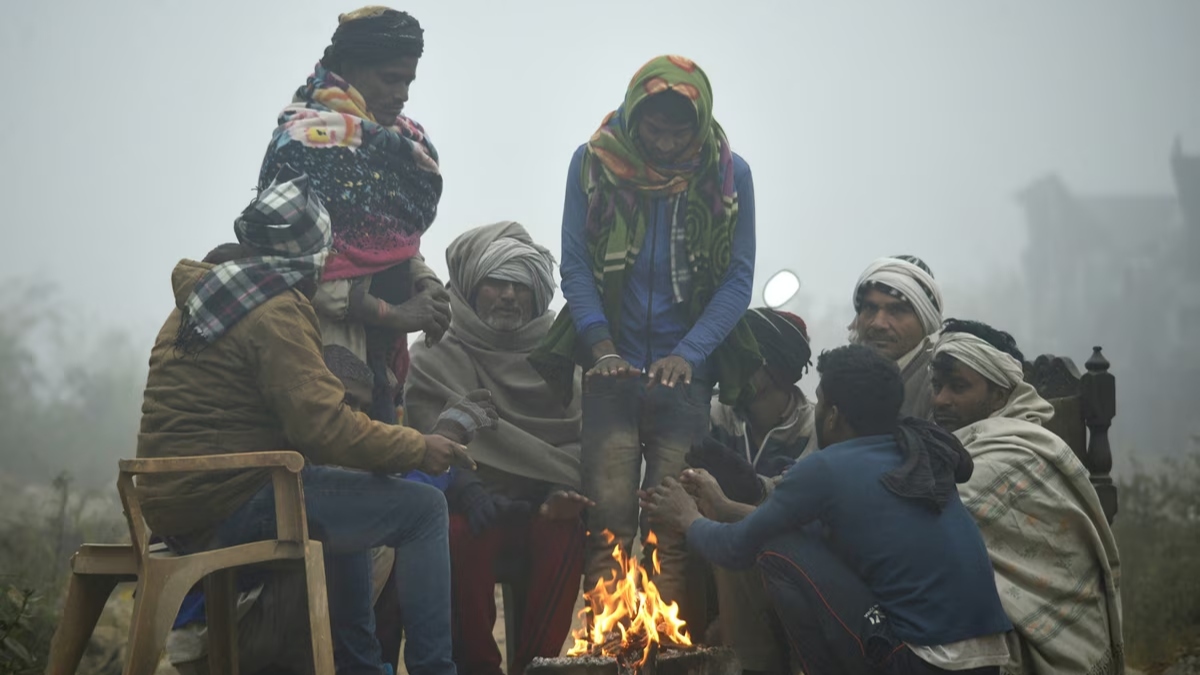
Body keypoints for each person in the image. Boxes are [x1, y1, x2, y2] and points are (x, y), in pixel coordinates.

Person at [137, 167, 496, 675]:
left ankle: (357, 668)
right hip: (230, 505)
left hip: (170, 505)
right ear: (310, 260)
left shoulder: (199, 303)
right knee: (422, 510)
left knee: (342, 500)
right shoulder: (274, 309)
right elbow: (323, 430)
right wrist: (421, 448)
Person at [531, 54, 760, 613]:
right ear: (634, 117)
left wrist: (690, 353)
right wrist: (600, 346)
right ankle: (607, 650)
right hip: (612, 371)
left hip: (687, 379)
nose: (662, 142)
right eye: (652, 128)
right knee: (606, 523)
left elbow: (737, 279)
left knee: (671, 527)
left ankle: (668, 656)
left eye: (678, 131)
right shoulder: (592, 163)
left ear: (700, 124)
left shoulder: (731, 174)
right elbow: (577, 264)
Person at [642, 345, 1013, 674]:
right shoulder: (912, 451)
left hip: (921, 662)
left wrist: (686, 518)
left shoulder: (828, 467)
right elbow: (812, 535)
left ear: (834, 414)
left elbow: (738, 548)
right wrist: (722, 506)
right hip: (987, 664)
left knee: (776, 551)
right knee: (790, 540)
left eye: (820, 400)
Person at [405, 222, 593, 675]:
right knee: (455, 533)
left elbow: (575, 444)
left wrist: (553, 494)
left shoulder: (559, 360)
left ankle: (538, 667)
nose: (509, 295)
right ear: (472, 288)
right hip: (470, 505)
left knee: (565, 533)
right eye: (496, 282)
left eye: (520, 284)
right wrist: (467, 488)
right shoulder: (435, 353)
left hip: (539, 506)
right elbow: (425, 443)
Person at [258, 6, 450, 423]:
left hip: (381, 352)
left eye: (408, 81)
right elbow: (291, 268)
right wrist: (398, 314)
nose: (401, 93)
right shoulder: (302, 144)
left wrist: (428, 286)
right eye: (389, 78)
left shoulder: (401, 145)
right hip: (317, 340)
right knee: (335, 457)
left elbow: (392, 241)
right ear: (348, 68)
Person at [167, 344, 399, 675]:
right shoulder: (282, 448)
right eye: (345, 400)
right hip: (214, 632)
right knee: (361, 529)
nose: (354, 416)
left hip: (244, 619)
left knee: (375, 524)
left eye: (362, 407)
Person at [930, 320, 1124, 675]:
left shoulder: (1010, 457)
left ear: (1001, 394)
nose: (941, 399)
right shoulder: (963, 445)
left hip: (1043, 650)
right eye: (937, 385)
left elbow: (924, 527)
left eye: (958, 387)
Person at [684, 307, 815, 674]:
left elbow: (803, 513)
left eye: (743, 356)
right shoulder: (711, 417)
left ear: (777, 369)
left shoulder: (816, 430)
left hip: (787, 569)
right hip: (711, 567)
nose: (729, 365)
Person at [848, 255, 943, 419]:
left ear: (925, 319)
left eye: (896, 310)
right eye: (870, 308)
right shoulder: (844, 374)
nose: (878, 323)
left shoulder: (940, 383)